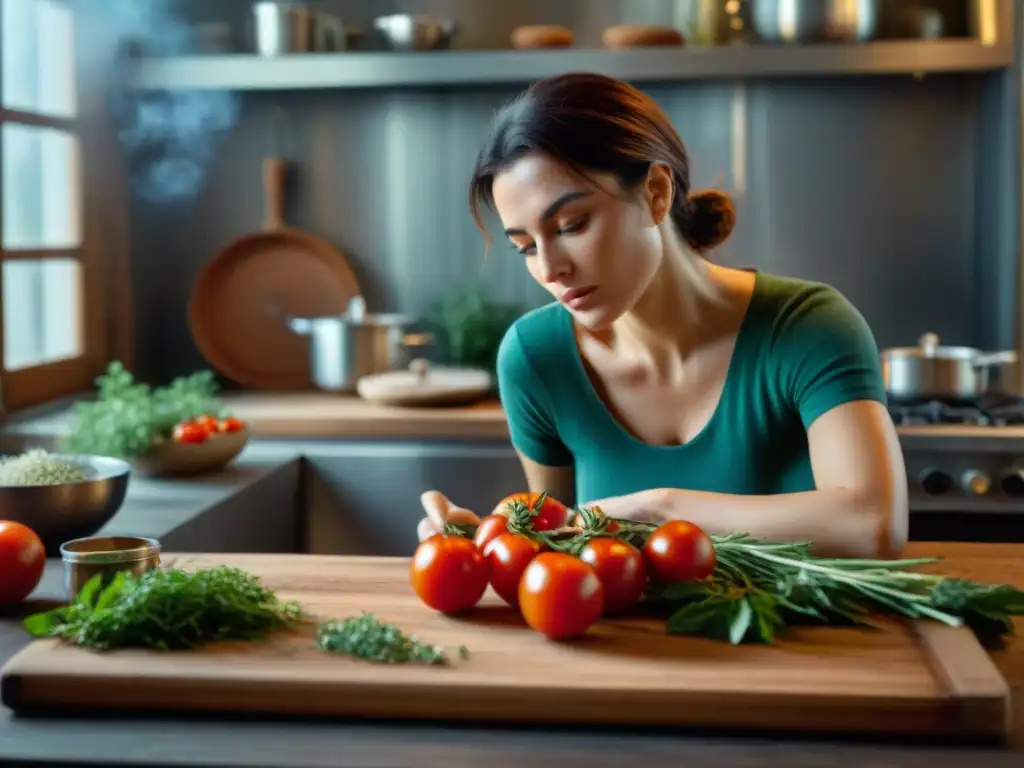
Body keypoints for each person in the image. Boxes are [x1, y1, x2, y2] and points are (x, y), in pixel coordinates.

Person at [417, 72, 908, 559]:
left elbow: (872, 525)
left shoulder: (808, 328)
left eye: (572, 225)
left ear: (655, 191)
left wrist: (659, 510)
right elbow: (560, 548)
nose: (550, 269)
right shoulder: (535, 358)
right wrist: (486, 542)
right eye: (524, 247)